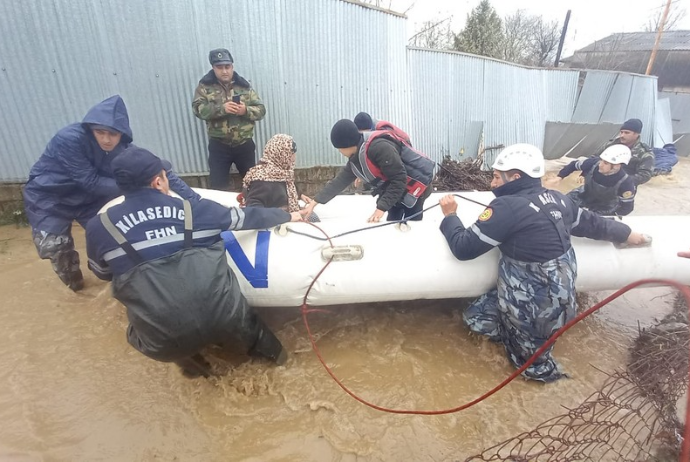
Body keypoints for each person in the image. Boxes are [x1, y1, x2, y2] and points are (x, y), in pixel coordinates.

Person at [438, 143, 648, 383]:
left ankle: (553, 383)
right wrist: (628, 234)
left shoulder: (506, 207)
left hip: (537, 306)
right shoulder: (557, 199)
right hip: (559, 296)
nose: (492, 183)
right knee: (477, 318)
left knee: (531, 368)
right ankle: (513, 332)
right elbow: (593, 224)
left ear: (515, 177)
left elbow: (464, 249)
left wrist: (450, 216)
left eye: (496, 177)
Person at [85, 147, 302, 377]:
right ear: (158, 182)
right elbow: (250, 217)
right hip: (225, 318)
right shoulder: (196, 210)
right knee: (250, 329)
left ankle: (200, 373)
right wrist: (288, 215)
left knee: (138, 325)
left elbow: (104, 274)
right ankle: (282, 365)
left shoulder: (99, 228)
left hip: (163, 341)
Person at [23, 95, 199, 292]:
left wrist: (195, 202)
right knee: (56, 248)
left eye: (113, 134)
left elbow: (162, 171)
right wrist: (141, 184)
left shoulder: (125, 149)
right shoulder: (69, 139)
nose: (106, 140)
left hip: (90, 200)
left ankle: (117, 283)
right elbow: (90, 182)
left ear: (122, 135)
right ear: (91, 129)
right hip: (50, 197)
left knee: (114, 239)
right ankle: (76, 288)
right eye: (100, 132)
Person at [301, 119, 435, 223]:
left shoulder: (379, 148)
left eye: (339, 148)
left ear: (347, 144)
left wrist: (380, 208)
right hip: (397, 193)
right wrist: (314, 202)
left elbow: (399, 179)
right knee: (393, 223)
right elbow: (339, 182)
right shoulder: (356, 158)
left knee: (411, 225)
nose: (339, 152)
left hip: (416, 189)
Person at [192, 48, 266, 190]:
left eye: (227, 67)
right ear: (213, 68)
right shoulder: (204, 87)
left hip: (244, 145)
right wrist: (221, 109)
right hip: (219, 146)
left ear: (232, 66)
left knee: (253, 185)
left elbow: (261, 110)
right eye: (219, 67)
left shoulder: (244, 86)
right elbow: (197, 110)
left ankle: (253, 211)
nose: (224, 71)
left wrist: (246, 110)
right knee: (218, 187)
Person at [552, 145, 636, 216]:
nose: (600, 165)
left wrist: (608, 216)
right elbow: (574, 165)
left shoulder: (626, 183)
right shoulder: (593, 164)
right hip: (583, 196)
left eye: (606, 163)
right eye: (601, 161)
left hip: (604, 208)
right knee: (559, 207)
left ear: (616, 166)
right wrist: (560, 177)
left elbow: (627, 208)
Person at [593, 118, 654, 186]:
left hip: (623, 188)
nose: (622, 135)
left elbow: (645, 174)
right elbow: (594, 158)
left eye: (626, 133)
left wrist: (623, 181)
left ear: (636, 134)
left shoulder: (644, 153)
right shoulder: (611, 145)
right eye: (621, 132)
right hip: (598, 183)